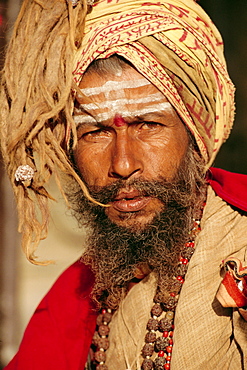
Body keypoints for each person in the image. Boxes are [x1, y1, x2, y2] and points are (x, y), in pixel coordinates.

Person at [1, 0, 247, 369]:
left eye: (148, 126)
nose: (123, 165)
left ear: (194, 135)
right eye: (96, 133)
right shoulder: (74, 297)